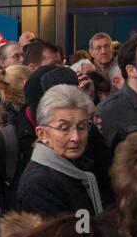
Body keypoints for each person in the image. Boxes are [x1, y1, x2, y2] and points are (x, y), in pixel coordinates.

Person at [14, 85, 105, 217]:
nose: (75, 138)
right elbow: (75, 233)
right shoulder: (39, 185)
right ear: (42, 134)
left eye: (81, 127)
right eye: (64, 128)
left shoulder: (82, 165)